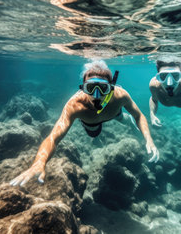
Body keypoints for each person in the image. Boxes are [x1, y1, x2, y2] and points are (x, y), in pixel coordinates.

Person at [10, 60, 159, 186]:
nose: (96, 95)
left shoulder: (120, 95)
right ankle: (97, 135)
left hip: (113, 112)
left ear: (111, 88)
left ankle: (124, 121)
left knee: (122, 117)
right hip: (91, 121)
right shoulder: (75, 105)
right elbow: (53, 138)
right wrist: (39, 162)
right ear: (83, 88)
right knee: (94, 132)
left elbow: (139, 116)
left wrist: (149, 139)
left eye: (102, 88)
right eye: (90, 88)